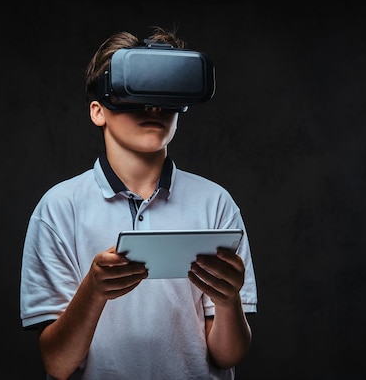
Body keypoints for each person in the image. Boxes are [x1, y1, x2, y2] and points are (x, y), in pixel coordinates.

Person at [19, 27, 258, 380]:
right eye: (137, 93)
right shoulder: (58, 210)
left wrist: (227, 299)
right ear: (98, 111)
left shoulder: (216, 203)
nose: (154, 107)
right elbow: (58, 364)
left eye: (164, 94)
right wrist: (93, 291)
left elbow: (227, 357)